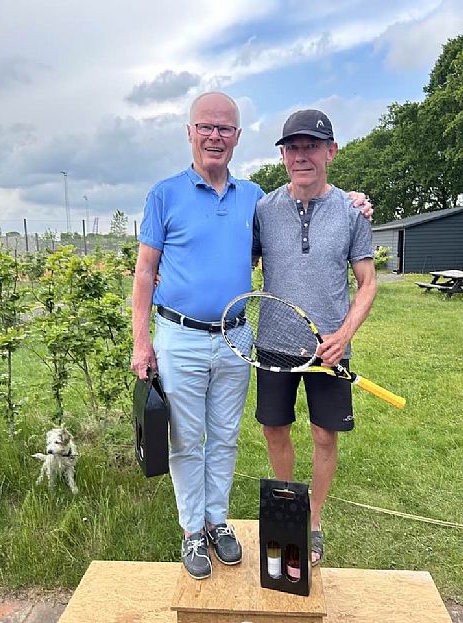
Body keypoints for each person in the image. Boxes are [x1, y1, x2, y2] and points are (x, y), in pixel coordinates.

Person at [131, 92, 372, 580]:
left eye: (225, 129)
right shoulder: (180, 195)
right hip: (194, 339)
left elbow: (347, 268)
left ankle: (225, 522)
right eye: (206, 127)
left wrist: (356, 201)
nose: (215, 136)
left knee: (227, 437)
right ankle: (192, 532)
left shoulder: (254, 199)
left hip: (240, 340)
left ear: (237, 138)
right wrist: (143, 338)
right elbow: (147, 271)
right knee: (190, 437)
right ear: (191, 132)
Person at [252, 109, 377, 567]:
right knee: (274, 429)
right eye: (292, 148)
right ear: (283, 155)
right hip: (273, 344)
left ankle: (315, 521)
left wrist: (344, 334)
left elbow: (368, 282)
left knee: (325, 436)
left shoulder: (351, 210)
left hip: (330, 350)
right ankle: (289, 511)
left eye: (311, 146)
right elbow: (232, 257)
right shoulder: (263, 209)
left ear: (331, 151)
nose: (301, 156)